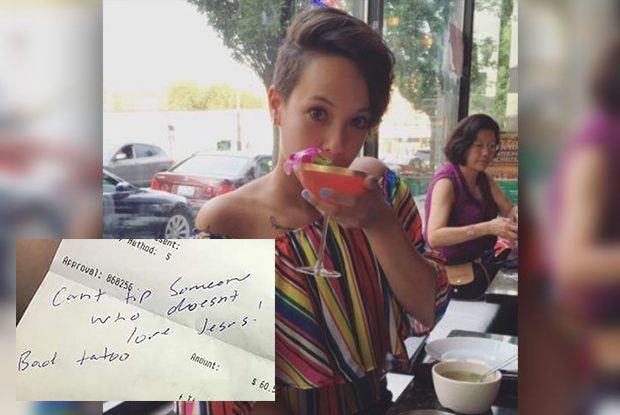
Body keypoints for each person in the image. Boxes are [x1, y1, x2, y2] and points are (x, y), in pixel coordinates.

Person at [181, 6, 449, 415]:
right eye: (318, 113)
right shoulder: (225, 224)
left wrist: (378, 222)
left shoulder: (377, 190)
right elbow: (226, 386)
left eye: (357, 122)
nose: (336, 145)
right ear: (276, 105)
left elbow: (429, 307)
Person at [424, 114, 517, 300]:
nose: (486, 152)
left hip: (480, 264)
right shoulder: (447, 182)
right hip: (453, 275)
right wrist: (488, 228)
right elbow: (434, 236)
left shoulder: (483, 178)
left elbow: (508, 209)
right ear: (463, 145)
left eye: (492, 146)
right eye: (479, 145)